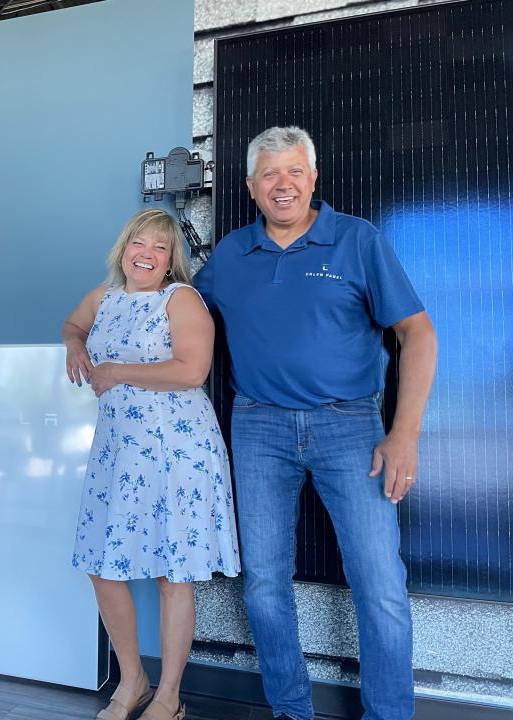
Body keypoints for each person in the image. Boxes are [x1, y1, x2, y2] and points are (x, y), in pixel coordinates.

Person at [195, 126, 437, 720]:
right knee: (264, 584)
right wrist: (87, 324)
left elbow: (418, 333)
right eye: (270, 174)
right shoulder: (230, 255)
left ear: (314, 177)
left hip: (351, 428)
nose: (284, 185)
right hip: (258, 428)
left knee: (379, 584)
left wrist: (404, 433)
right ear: (251, 187)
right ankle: (290, 710)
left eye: (295, 171)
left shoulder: (358, 240)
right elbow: (177, 312)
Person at [64, 208, 240, 720]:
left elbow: (192, 370)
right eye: (138, 242)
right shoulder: (102, 298)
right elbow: (73, 323)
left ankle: (169, 696)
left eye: (159, 247)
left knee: (172, 575)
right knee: (102, 566)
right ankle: (133, 679)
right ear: (123, 249)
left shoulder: (181, 299)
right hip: (117, 452)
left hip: (175, 453)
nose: (146, 253)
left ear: (171, 260)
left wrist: (115, 369)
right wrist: (75, 344)